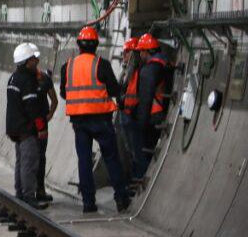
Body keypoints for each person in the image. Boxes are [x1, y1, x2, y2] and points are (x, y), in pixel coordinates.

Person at [60, 27, 130, 214]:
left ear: (79, 45)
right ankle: (121, 199)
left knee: (84, 160)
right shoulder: (102, 64)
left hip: (79, 122)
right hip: (101, 120)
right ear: (96, 45)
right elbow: (114, 90)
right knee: (111, 158)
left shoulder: (68, 66)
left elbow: (64, 93)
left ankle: (88, 203)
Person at [7, 43, 48, 209]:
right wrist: (41, 127)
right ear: (26, 61)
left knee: (21, 161)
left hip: (15, 127)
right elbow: (32, 108)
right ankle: (28, 197)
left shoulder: (14, 77)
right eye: (33, 58)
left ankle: (20, 194)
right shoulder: (27, 80)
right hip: (26, 128)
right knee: (29, 162)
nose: (36, 61)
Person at [134, 33, 171, 173]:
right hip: (165, 113)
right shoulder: (166, 64)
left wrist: (141, 124)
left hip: (153, 117)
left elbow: (145, 101)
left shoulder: (148, 71)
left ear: (147, 51)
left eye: (141, 51)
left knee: (148, 155)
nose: (140, 55)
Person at [32, 44, 58, 203]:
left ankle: (39, 190)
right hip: (28, 125)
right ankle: (27, 190)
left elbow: (54, 100)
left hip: (41, 125)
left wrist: (49, 116)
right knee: (29, 157)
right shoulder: (23, 79)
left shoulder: (44, 79)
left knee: (40, 157)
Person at [118, 37, 144, 181]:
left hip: (133, 116)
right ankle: (134, 178)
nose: (124, 55)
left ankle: (140, 178)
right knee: (130, 150)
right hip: (125, 114)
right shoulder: (127, 71)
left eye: (127, 52)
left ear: (134, 53)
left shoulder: (138, 72)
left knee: (136, 150)